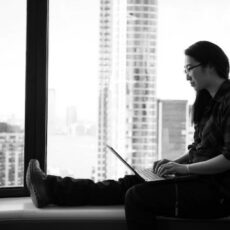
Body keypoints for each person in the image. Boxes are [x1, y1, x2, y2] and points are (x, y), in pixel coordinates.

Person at [26, 41, 230, 229]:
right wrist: (171, 165)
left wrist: (183, 169)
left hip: (217, 194)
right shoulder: (208, 104)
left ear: (210, 66)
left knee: (136, 196)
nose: (186, 76)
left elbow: (228, 159)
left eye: (189, 69)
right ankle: (50, 188)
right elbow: (198, 149)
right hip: (197, 180)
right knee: (128, 183)